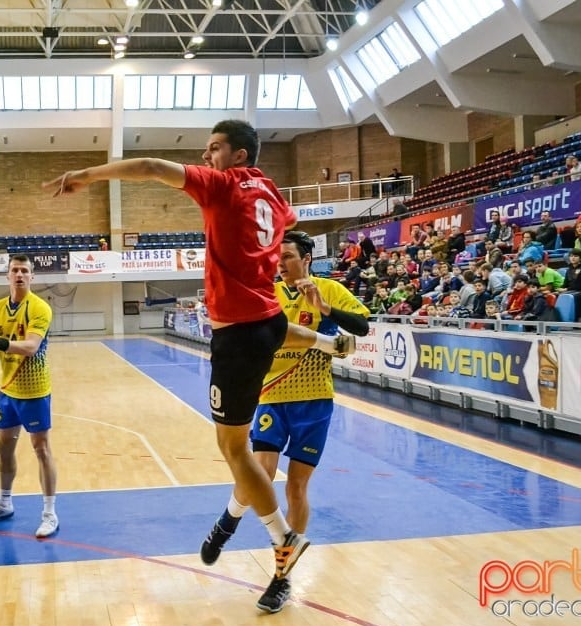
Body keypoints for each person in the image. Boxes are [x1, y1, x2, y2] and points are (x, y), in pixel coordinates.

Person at [42, 119, 353, 598]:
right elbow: (287, 220)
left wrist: (87, 175)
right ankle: (326, 343)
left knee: (234, 450)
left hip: (241, 337)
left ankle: (283, 536)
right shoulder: (269, 189)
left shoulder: (223, 185)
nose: (206, 157)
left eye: (214, 149)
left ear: (239, 156)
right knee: (272, 355)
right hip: (268, 320)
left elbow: (148, 166)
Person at [200, 230, 369, 612]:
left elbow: (360, 329)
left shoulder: (329, 288)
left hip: (314, 400)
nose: (279, 263)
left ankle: (282, 577)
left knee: (296, 488)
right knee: (260, 469)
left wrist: (325, 309)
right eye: (276, 257)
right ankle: (228, 521)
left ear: (307, 258)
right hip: (272, 396)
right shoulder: (266, 294)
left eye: (287, 256)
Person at [0, 254, 59, 538]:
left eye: (24, 271)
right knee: (4, 448)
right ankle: (4, 502)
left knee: (41, 449)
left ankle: (49, 513)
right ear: (7, 276)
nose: (19, 275)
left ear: (32, 277)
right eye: (14, 270)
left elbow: (31, 346)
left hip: (35, 390)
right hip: (8, 391)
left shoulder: (40, 308)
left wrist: (1, 342)